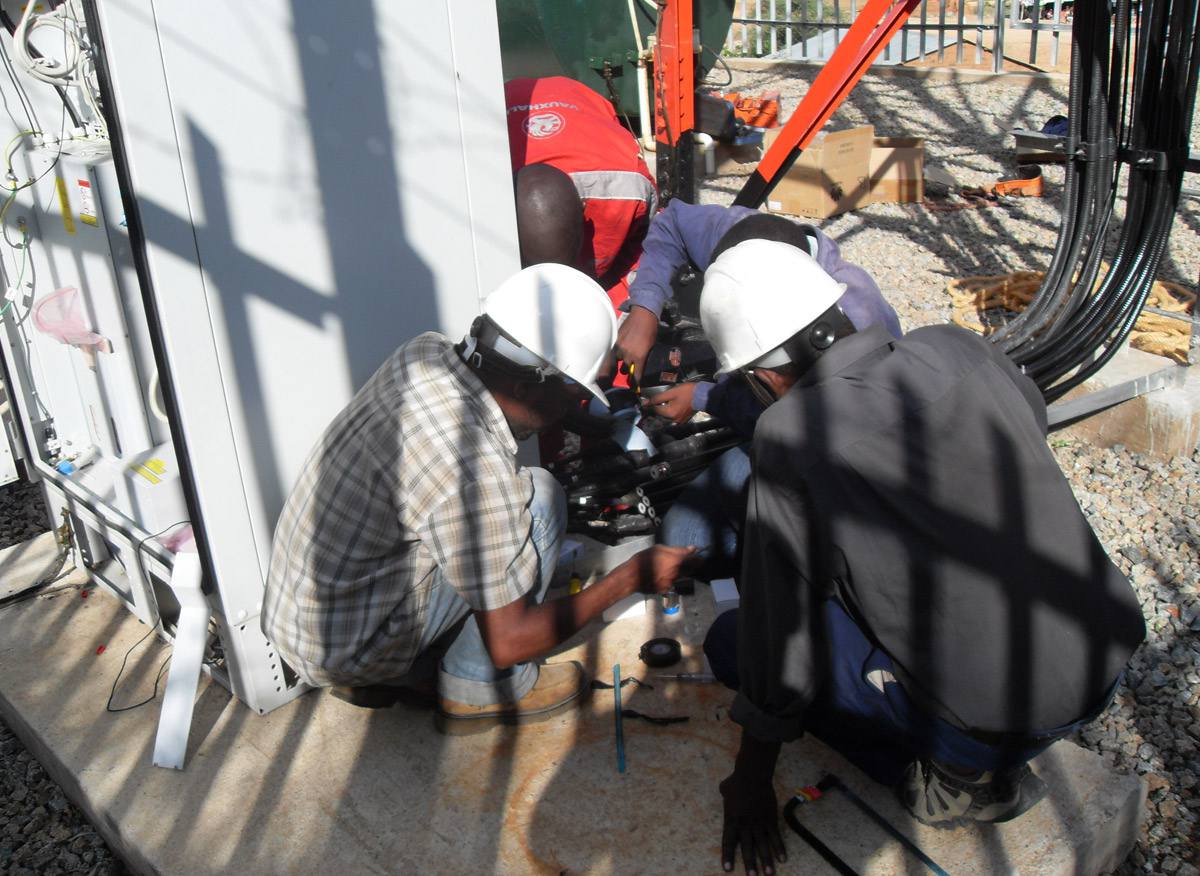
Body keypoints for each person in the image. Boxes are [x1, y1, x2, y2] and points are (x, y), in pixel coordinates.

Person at [697, 240, 1146, 874]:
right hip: (1106, 650)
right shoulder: (954, 345)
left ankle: (952, 782)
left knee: (732, 640)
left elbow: (779, 635)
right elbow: (1031, 420)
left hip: (999, 719)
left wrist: (749, 779)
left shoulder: (790, 435)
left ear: (763, 376)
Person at [261, 263, 695, 732]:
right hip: (348, 648)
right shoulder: (472, 466)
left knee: (484, 524)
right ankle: (477, 688)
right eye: (572, 394)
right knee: (541, 499)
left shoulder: (426, 353)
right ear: (527, 386)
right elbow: (512, 641)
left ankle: (397, 671)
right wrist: (629, 578)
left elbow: (525, 395)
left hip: (309, 620)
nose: (574, 404)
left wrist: (586, 423)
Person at [614, 203, 902, 578]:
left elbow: (793, 422)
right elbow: (673, 223)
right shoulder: (743, 237)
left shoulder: (859, 318)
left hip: (829, 445)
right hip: (789, 402)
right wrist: (645, 307)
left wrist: (704, 396)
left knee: (684, 538)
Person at [505, 76, 656, 310]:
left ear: (583, 210)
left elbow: (652, 246)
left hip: (583, 104)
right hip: (512, 97)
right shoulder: (476, 190)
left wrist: (627, 310)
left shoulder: (627, 189)